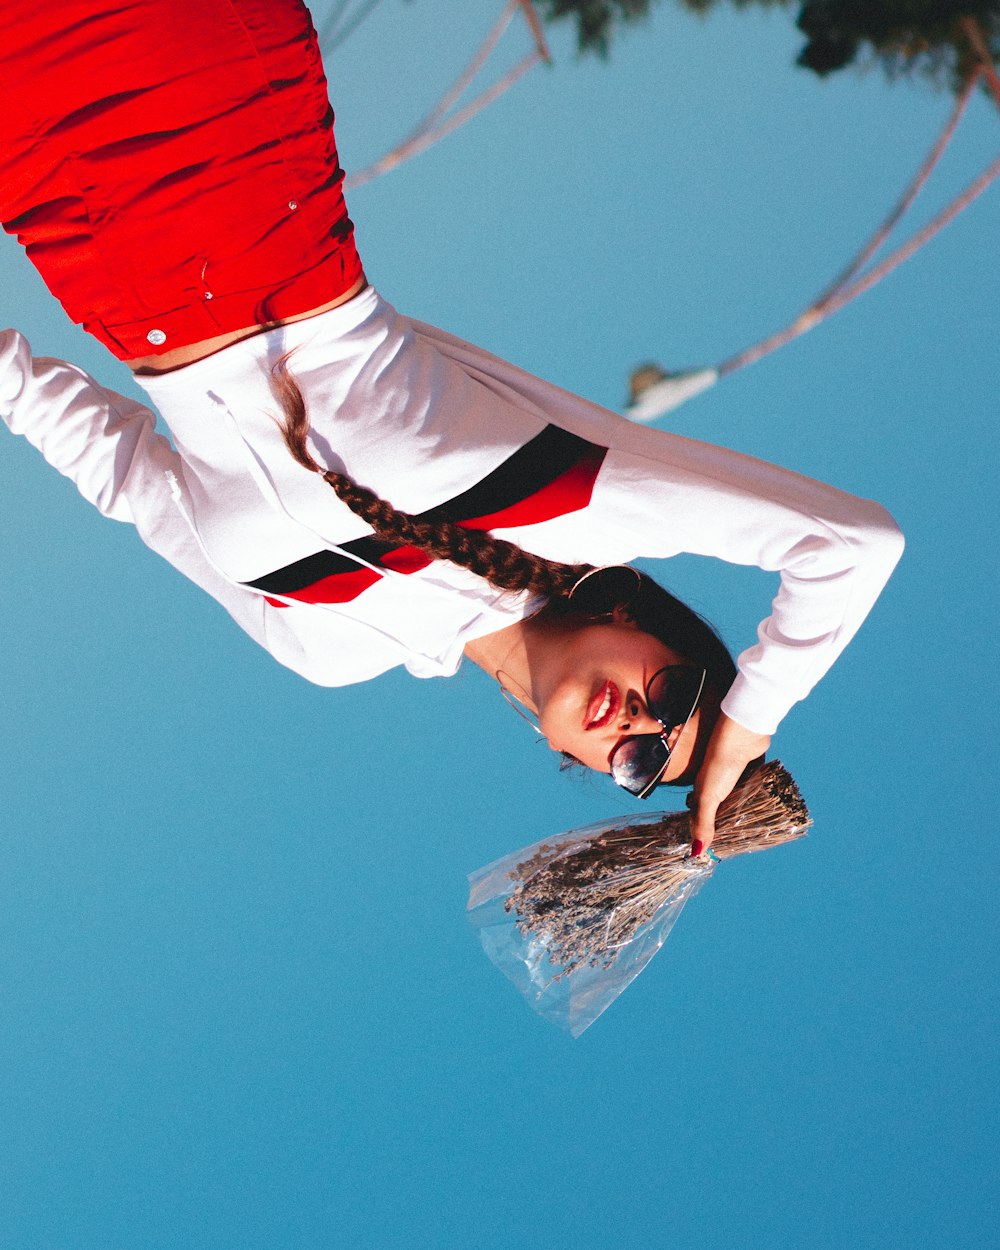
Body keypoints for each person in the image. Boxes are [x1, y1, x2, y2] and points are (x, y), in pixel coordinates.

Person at [0, 0, 903, 854]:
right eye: (671, 694)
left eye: (637, 760)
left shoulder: (329, 651)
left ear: (579, 766)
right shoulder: (575, 510)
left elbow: (128, 476)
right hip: (207, 116)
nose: (638, 722)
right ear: (637, 618)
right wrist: (747, 725)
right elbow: (852, 547)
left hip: (70, 219)